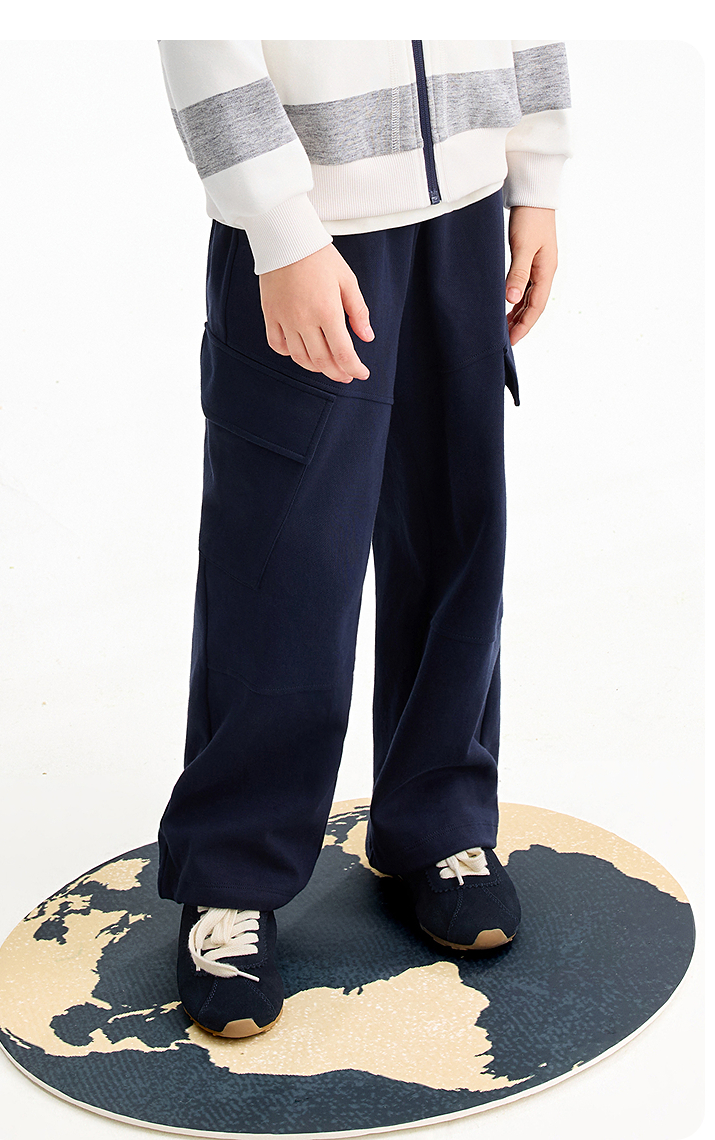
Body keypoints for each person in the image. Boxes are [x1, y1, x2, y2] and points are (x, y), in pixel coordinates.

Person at [156, 38, 572, 1039]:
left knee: (458, 532)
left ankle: (439, 821)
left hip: (468, 204)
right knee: (285, 563)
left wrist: (535, 176)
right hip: (315, 226)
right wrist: (278, 224)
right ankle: (232, 873)